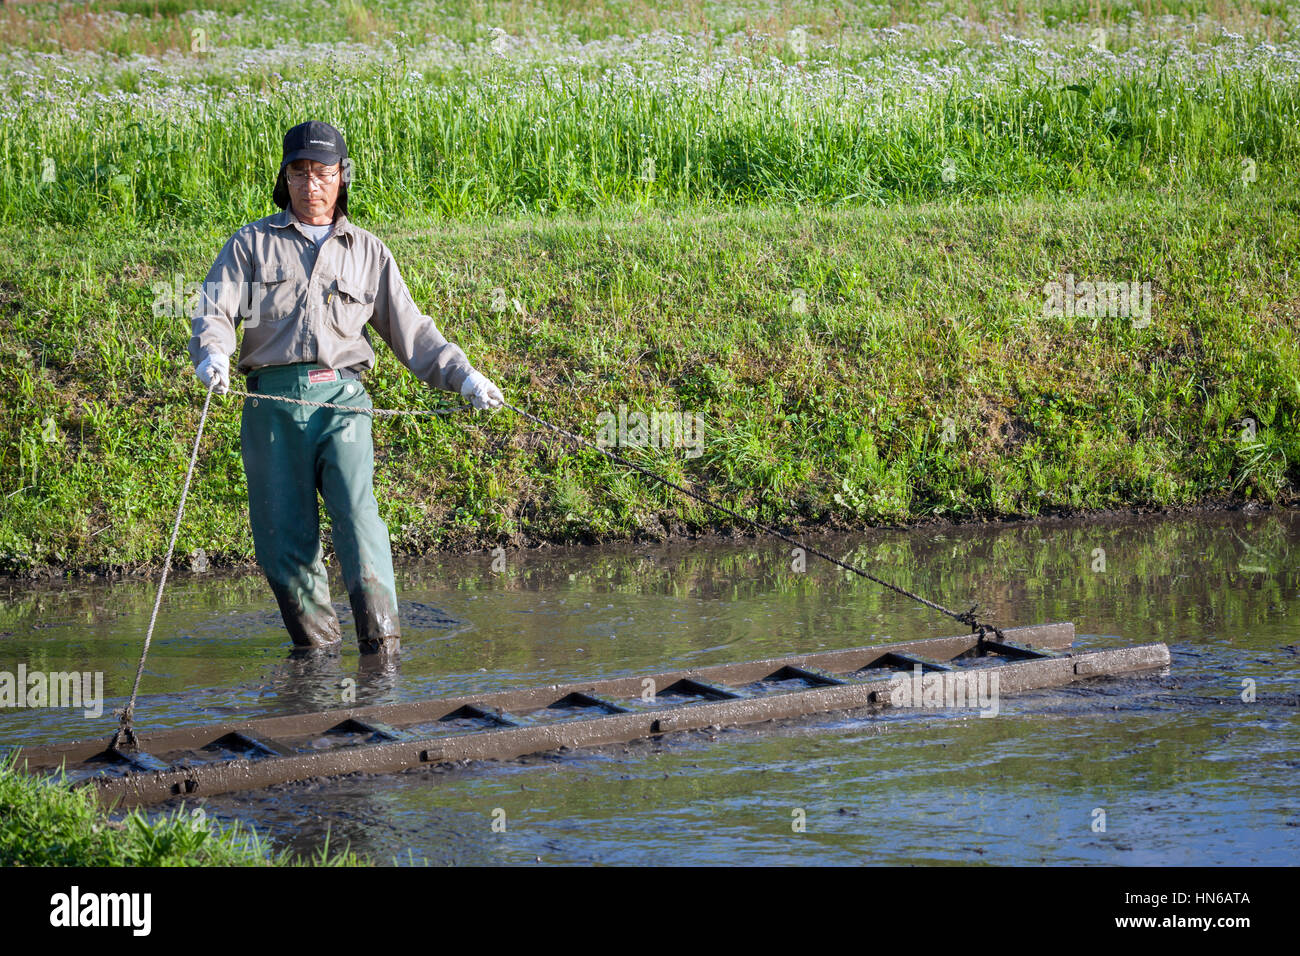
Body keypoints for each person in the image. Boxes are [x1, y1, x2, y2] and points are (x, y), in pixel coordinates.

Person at [188, 120, 503, 656]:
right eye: (300, 172)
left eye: (324, 173)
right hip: (271, 404)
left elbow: (414, 332)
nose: (312, 184)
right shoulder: (250, 244)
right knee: (282, 538)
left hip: (343, 400)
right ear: (285, 178)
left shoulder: (369, 252)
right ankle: (316, 656)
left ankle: (381, 649)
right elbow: (213, 309)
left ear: (342, 178)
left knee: (358, 517)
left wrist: (465, 376)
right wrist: (213, 354)